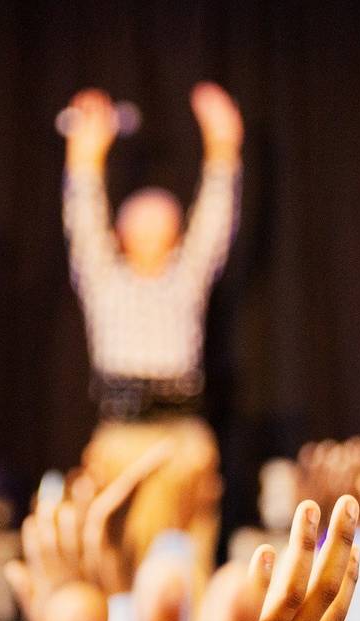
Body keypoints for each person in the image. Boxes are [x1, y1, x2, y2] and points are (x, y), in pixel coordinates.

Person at [61, 81, 243, 574]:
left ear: (177, 232)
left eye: (163, 219)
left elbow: (216, 221)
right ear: (121, 233)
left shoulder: (186, 278)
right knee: (119, 559)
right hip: (121, 435)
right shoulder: (105, 279)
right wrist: (85, 155)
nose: (151, 228)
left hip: (181, 437)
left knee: (185, 563)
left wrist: (223, 146)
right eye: (139, 221)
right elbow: (83, 218)